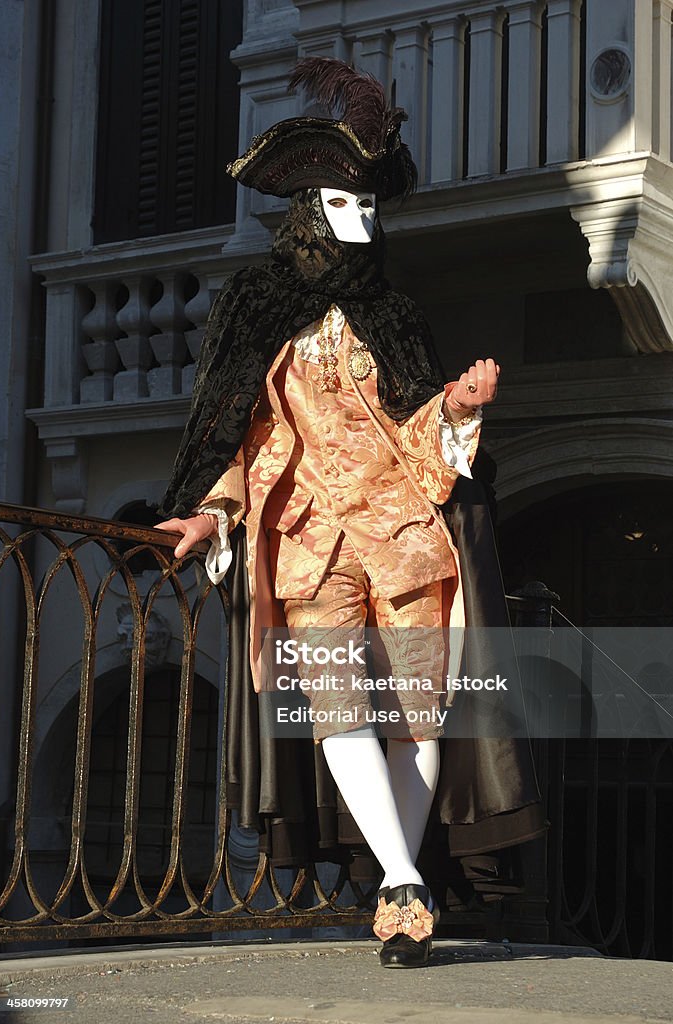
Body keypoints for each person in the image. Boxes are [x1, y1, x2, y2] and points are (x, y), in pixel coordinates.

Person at [156, 57, 544, 968]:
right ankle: (403, 879)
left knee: (418, 715)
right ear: (305, 208)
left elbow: (417, 433)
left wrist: (452, 410)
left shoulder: (395, 313)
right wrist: (209, 511)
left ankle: (396, 893)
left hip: (407, 542)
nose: (359, 225)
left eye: (371, 208)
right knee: (337, 711)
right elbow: (235, 431)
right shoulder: (256, 305)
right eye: (343, 205)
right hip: (307, 545)